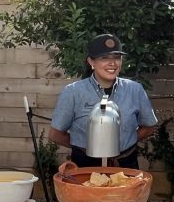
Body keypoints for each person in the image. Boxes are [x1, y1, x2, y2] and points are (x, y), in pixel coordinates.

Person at [49, 33, 158, 169]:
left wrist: (124, 142)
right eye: (104, 58)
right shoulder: (73, 92)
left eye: (117, 57)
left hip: (125, 165)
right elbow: (55, 134)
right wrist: (86, 147)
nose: (112, 63)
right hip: (85, 165)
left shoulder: (134, 89)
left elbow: (149, 126)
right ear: (91, 62)